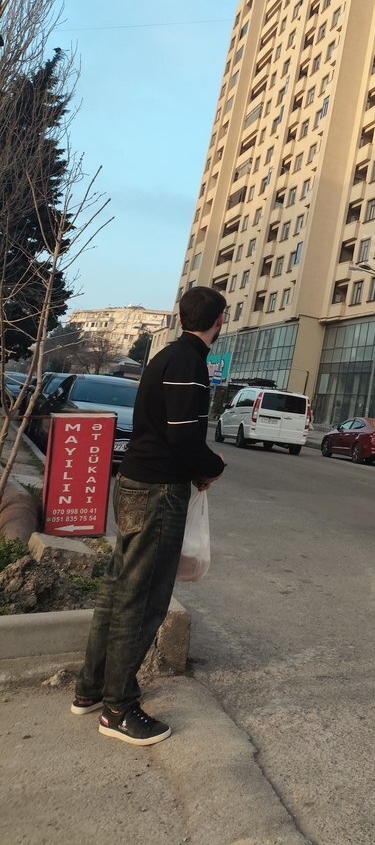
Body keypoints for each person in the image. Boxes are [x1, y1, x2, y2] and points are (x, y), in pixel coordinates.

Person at [71, 286, 228, 745]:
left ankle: (90, 689)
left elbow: (167, 429)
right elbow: (182, 435)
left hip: (137, 482)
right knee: (143, 600)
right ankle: (118, 708)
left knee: (120, 590)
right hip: (157, 492)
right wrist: (211, 468)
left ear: (182, 316)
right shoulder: (189, 362)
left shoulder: (168, 355)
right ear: (219, 319)